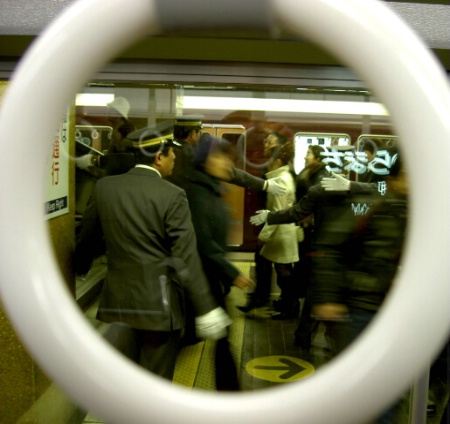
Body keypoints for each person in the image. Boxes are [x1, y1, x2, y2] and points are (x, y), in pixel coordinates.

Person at [75, 122, 231, 381]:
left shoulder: (105, 188)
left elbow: (87, 239)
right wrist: (206, 307)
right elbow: (186, 256)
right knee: (155, 379)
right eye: (172, 155)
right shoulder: (173, 195)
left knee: (125, 377)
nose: (174, 160)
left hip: (118, 303)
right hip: (159, 306)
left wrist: (80, 269)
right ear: (159, 157)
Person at [184, 133, 254, 390]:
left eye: (228, 158)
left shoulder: (211, 188)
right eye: (220, 157)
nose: (227, 164)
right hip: (202, 279)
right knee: (217, 339)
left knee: (220, 338)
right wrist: (232, 272)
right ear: (205, 161)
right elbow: (202, 242)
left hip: (211, 277)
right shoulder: (198, 194)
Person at [238, 142, 299, 318]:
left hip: (280, 234)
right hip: (282, 233)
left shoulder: (279, 181)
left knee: (283, 272)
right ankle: (283, 303)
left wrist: (263, 236)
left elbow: (276, 213)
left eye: (270, 160)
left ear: (278, 161)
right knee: (281, 270)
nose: (267, 163)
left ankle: (288, 307)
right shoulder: (286, 176)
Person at [292, 145, 331, 344]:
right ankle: (311, 333)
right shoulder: (308, 174)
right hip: (313, 237)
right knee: (316, 287)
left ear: (317, 158)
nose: (305, 157)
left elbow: (318, 207)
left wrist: (308, 217)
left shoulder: (321, 178)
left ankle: (305, 334)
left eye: (308, 154)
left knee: (316, 288)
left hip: (320, 239)